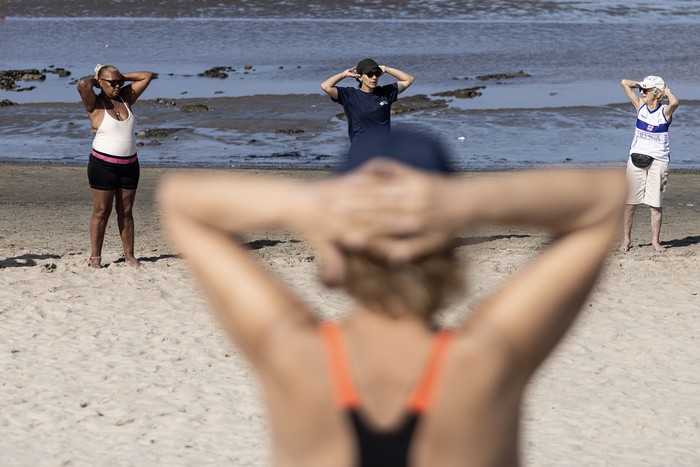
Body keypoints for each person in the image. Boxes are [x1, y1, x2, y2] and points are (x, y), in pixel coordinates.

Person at [158, 131, 626, 466]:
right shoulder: (485, 362)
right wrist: (469, 203)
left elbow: (181, 201)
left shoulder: (293, 353)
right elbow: (605, 200)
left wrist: (304, 205)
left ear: (337, 248)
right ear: (448, 243)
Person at [77, 64, 154, 268]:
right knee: (102, 211)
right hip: (103, 166)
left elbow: (146, 75)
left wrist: (120, 76)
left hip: (130, 165)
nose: (118, 86)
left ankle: (129, 255)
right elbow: (83, 84)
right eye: (112, 83)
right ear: (100, 83)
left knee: (126, 212)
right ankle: (95, 257)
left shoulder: (126, 99)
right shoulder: (95, 104)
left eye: (120, 82)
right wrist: (98, 79)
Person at [618, 75, 679, 253]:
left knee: (655, 206)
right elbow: (624, 83)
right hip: (636, 160)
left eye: (646, 90)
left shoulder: (664, 113)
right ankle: (626, 241)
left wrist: (666, 91)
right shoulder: (640, 106)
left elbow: (675, 103)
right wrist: (641, 84)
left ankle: (655, 242)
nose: (642, 93)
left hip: (658, 163)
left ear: (657, 93)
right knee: (630, 204)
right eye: (641, 90)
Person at [321, 58, 414, 145]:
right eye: (369, 74)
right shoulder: (350, 95)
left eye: (377, 74)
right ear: (360, 77)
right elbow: (325, 86)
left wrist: (386, 68)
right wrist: (344, 74)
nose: (374, 77)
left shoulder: (385, 93)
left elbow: (409, 79)